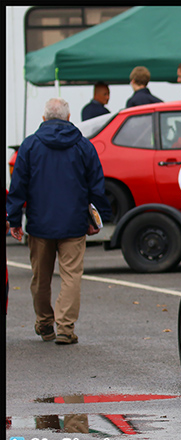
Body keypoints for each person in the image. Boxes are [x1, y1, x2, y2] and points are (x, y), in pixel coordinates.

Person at [6, 98, 112, 345]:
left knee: (40, 278)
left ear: (43, 119)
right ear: (68, 117)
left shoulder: (30, 145)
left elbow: (18, 187)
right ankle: (65, 327)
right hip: (74, 224)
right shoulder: (84, 146)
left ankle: (44, 323)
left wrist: (13, 220)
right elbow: (97, 186)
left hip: (40, 224)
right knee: (71, 276)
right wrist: (99, 218)